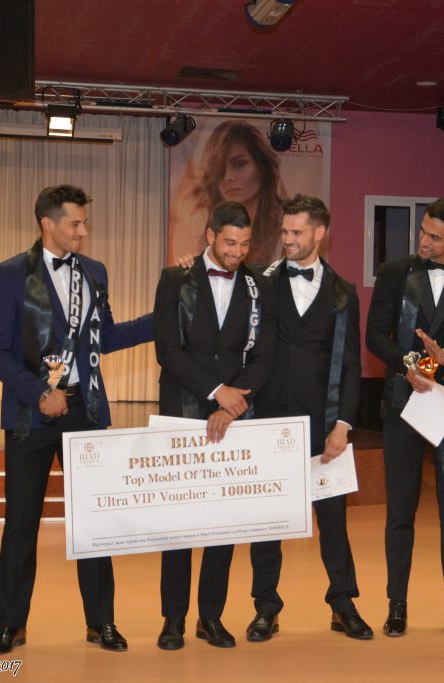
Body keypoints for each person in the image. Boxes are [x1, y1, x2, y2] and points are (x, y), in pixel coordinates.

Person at [0, 184, 153, 655]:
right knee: (21, 524)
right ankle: (10, 625)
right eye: (74, 223)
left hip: (85, 411)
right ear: (47, 223)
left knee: (94, 522)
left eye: (84, 223)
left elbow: (105, 338)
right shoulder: (9, 275)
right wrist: (39, 393)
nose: (82, 231)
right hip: (30, 416)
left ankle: (102, 622)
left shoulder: (95, 272)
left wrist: (159, 319)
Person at [365, 197, 444, 639]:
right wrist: (408, 364)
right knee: (400, 509)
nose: (423, 240)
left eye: (435, 237)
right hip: (403, 403)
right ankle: (396, 604)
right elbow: (374, 335)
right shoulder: (394, 272)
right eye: (423, 231)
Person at [246, 194, 372, 642]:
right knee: (268, 523)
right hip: (267, 421)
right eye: (284, 231)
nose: (288, 239)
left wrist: (343, 425)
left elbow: (352, 365)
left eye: (297, 232)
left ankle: (343, 604)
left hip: (323, 425)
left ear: (320, 233)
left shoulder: (343, 292)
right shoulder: (259, 281)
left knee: (333, 522)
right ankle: (266, 607)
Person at [153, 200, 276, 650]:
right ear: (210, 235)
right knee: (178, 523)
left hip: (234, 414)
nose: (237, 252)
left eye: (244, 244)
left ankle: (211, 617)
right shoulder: (175, 279)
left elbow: (264, 355)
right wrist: (215, 391)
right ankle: (173, 620)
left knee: (223, 524)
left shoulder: (261, 286)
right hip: (182, 411)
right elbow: (168, 350)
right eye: (229, 242)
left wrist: (232, 403)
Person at [168, 120, 285, 266]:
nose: (228, 177)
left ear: (261, 166)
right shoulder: (194, 231)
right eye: (220, 169)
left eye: (239, 164)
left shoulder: (285, 233)